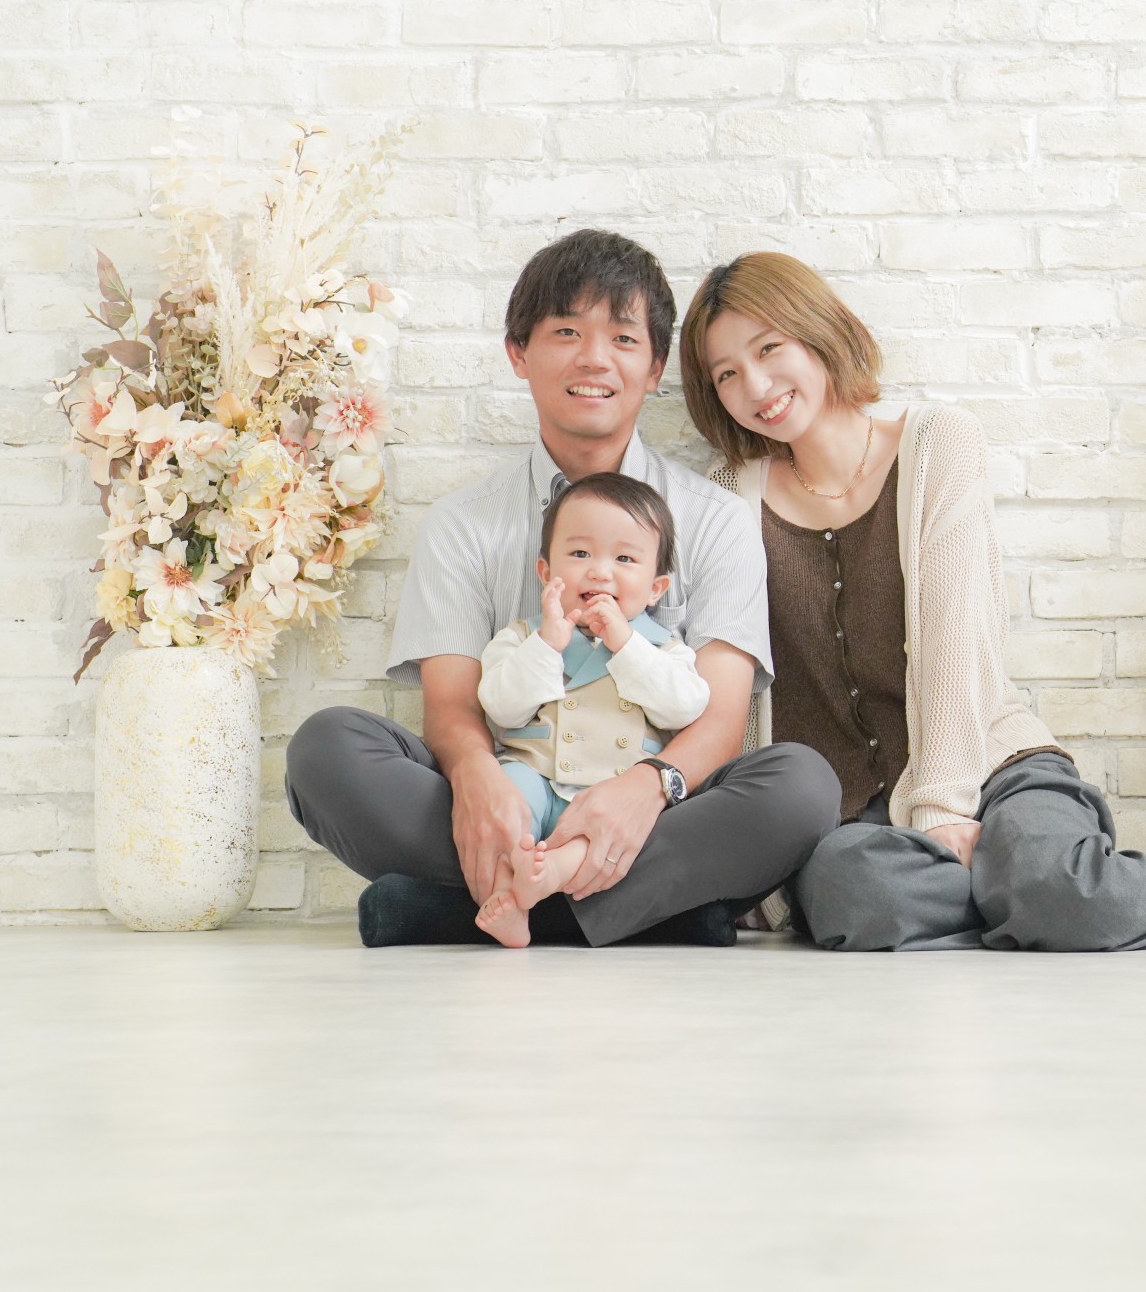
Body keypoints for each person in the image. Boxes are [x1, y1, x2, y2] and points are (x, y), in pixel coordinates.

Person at [680, 250, 1146, 951]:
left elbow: (955, 634)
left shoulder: (936, 442)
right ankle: (1041, 893)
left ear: (817, 330)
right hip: (862, 826)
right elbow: (735, 684)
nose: (755, 385)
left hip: (991, 767)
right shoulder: (730, 493)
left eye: (769, 349)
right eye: (725, 373)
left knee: (1031, 873)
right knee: (850, 893)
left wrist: (942, 807)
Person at [285, 230, 840, 947]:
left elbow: (721, 721)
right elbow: (452, 709)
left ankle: (465, 908)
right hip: (513, 793)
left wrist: (646, 789)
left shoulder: (716, 519)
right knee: (326, 750)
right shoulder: (463, 524)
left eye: (623, 338)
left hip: (654, 813)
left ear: (656, 366)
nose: (595, 359)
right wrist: (479, 781)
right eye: (567, 332)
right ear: (518, 353)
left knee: (802, 787)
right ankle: (653, 911)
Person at [472, 473, 711, 947]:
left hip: (614, 796)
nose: (600, 572)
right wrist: (547, 645)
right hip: (537, 778)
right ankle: (507, 901)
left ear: (656, 588)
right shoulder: (521, 637)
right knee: (506, 803)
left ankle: (549, 876)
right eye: (580, 554)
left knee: (616, 837)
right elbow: (501, 707)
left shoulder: (664, 650)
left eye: (624, 559)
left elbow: (684, 708)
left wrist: (625, 644)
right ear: (546, 572)